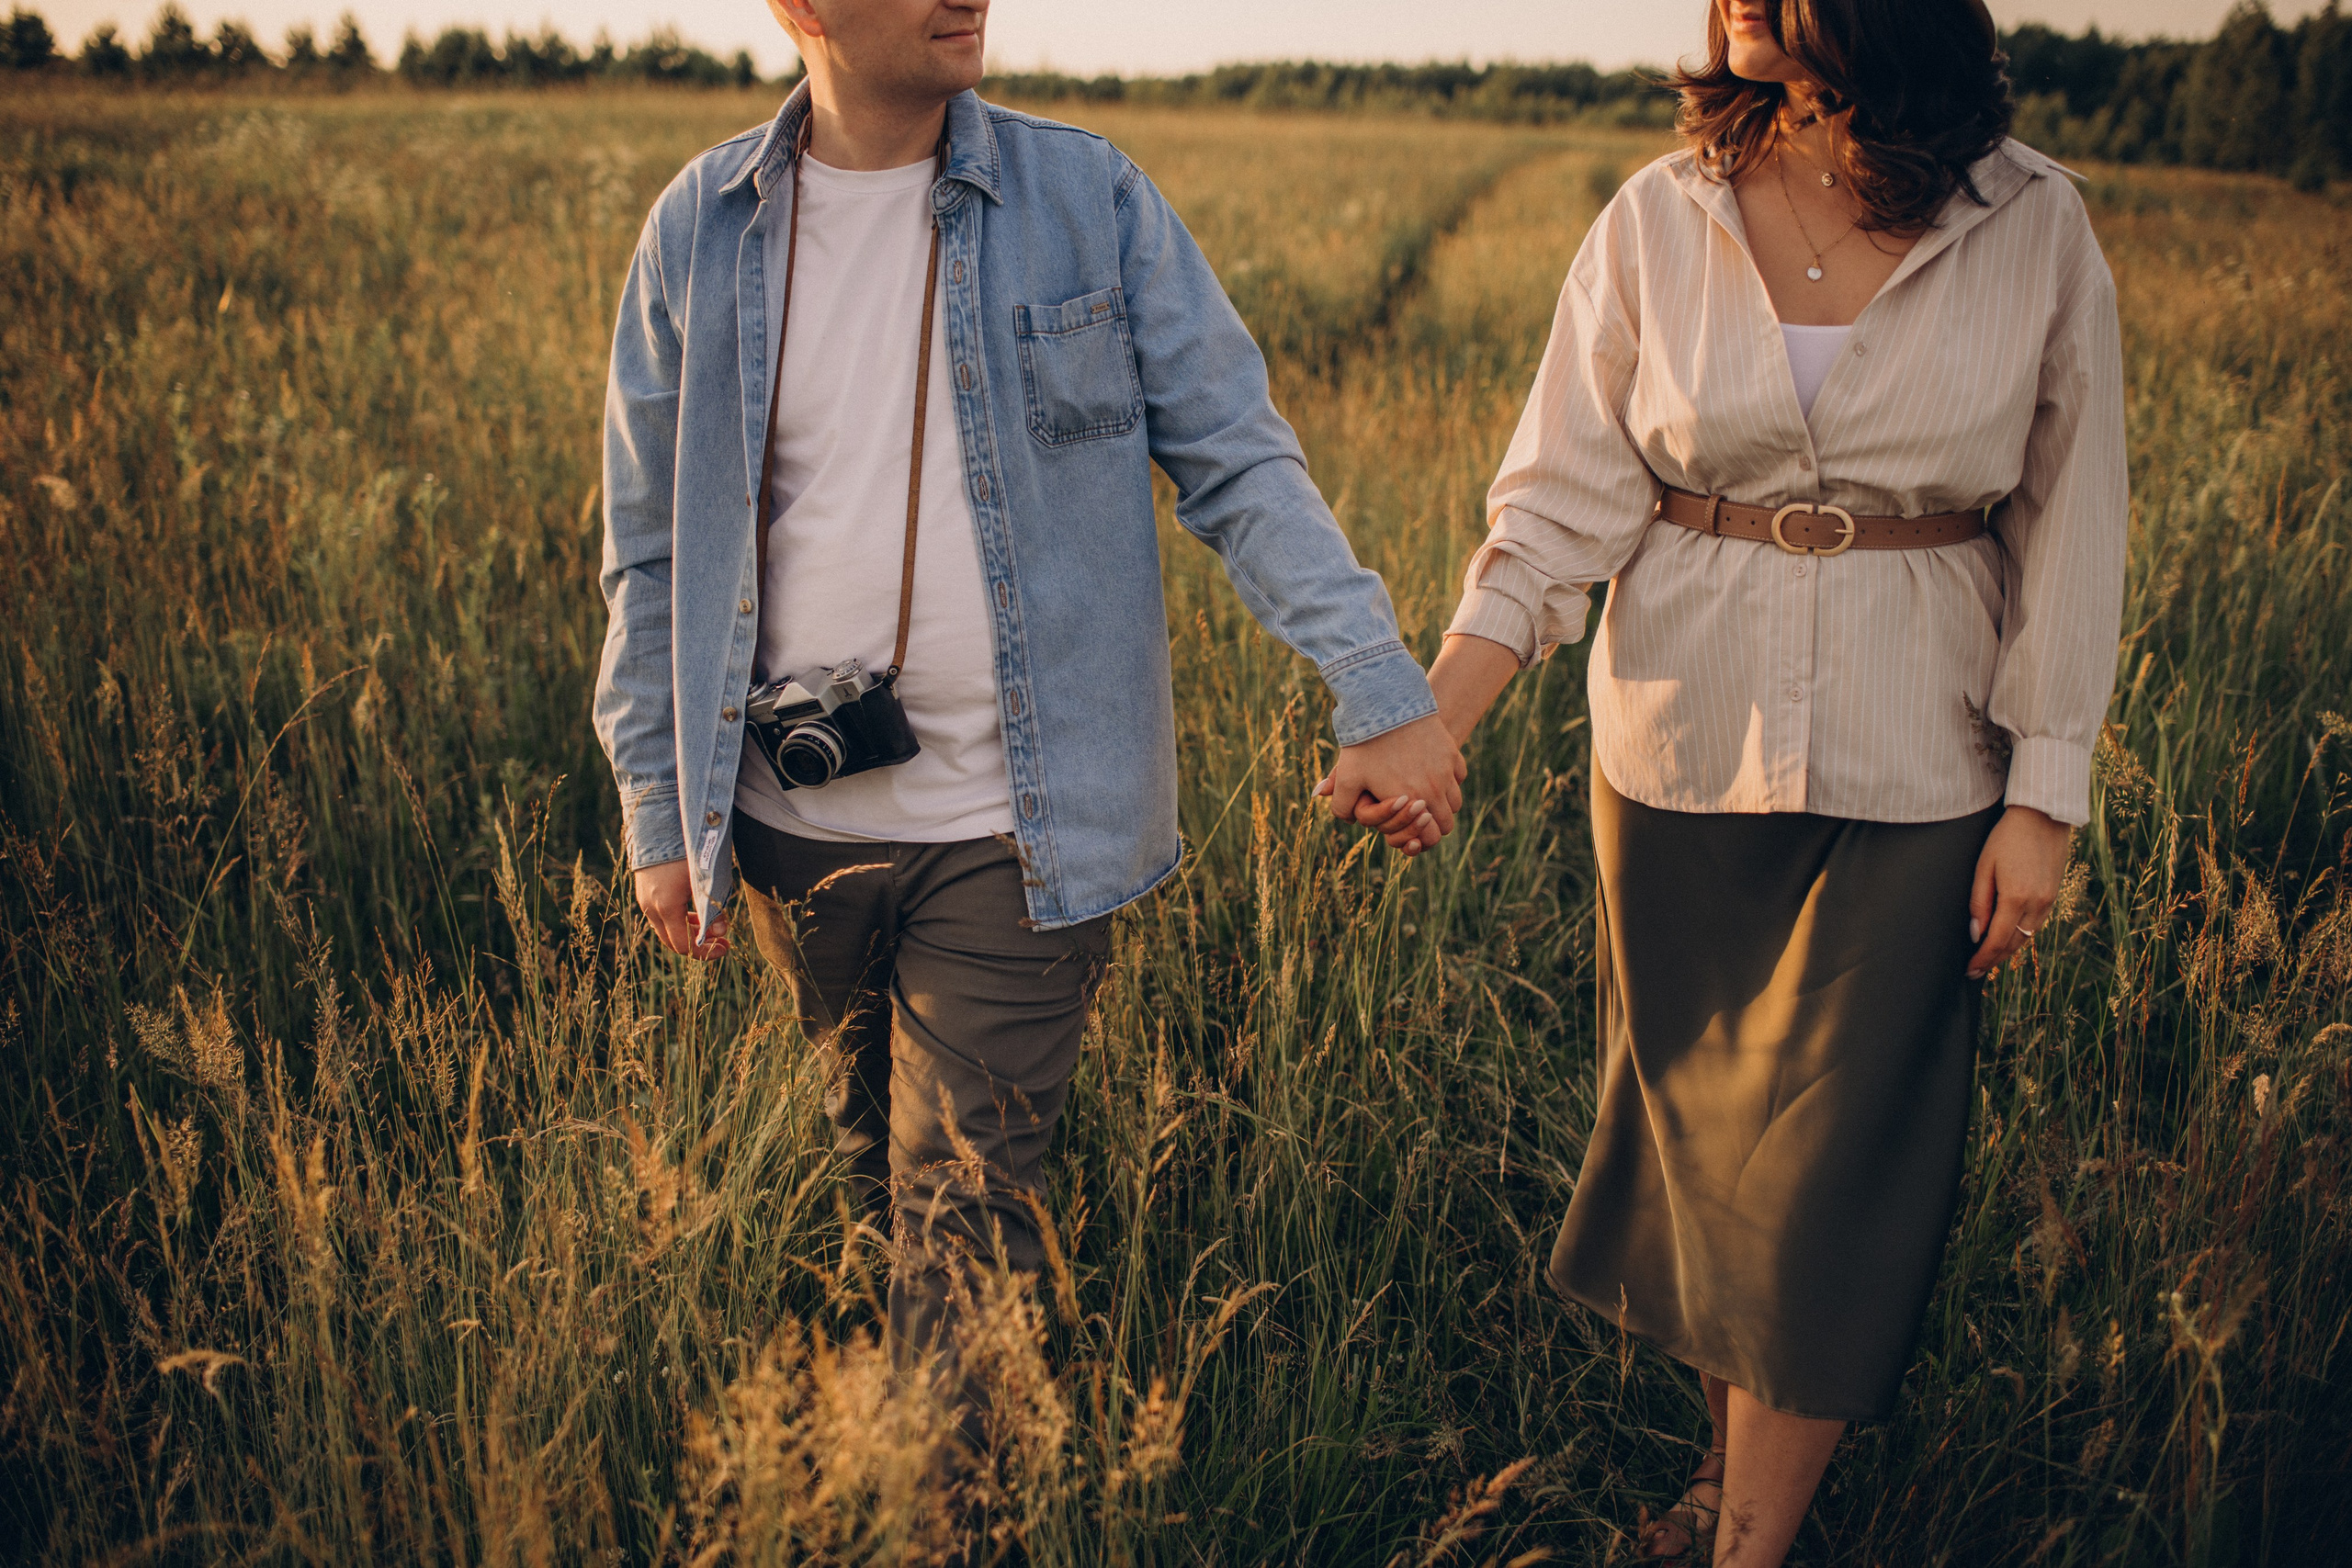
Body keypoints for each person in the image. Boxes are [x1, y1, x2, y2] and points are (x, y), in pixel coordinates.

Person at [593, 0, 1464, 1406]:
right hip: (785, 822)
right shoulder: (701, 230)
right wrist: (656, 805)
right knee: (865, 1172)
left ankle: (958, 1514)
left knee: (964, 1217)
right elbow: (648, 547)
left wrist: (1376, 683)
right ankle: (884, 1453)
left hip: (1022, 824)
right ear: (802, 10)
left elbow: (1237, 459)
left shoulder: (1088, 197)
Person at [1389, 1, 2126, 1561]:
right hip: (1677, 749)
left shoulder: (2032, 221)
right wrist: (1440, 715)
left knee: (1828, 1188)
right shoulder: (1662, 213)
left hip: (1922, 765)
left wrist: (2044, 798)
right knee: (1717, 1171)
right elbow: (1555, 507)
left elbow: (2074, 518)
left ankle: (1747, 1548)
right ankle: (1728, 1482)